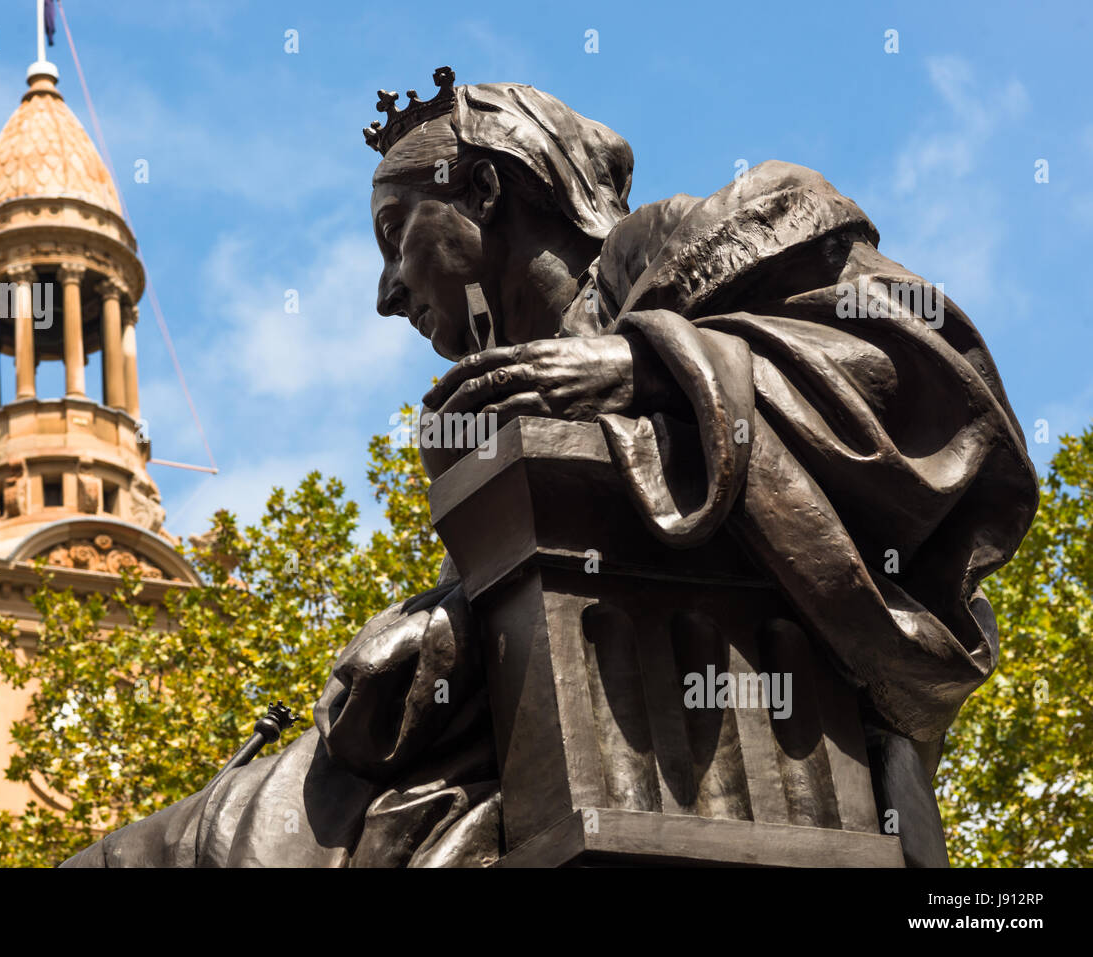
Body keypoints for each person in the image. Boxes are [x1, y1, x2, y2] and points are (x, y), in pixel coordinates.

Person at [62, 70, 1037, 868]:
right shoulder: (510, 399)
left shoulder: (708, 236)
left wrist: (641, 365)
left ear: (484, 191)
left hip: (726, 755)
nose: (385, 291)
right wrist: (434, 633)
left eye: (396, 235)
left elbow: (932, 382)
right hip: (524, 757)